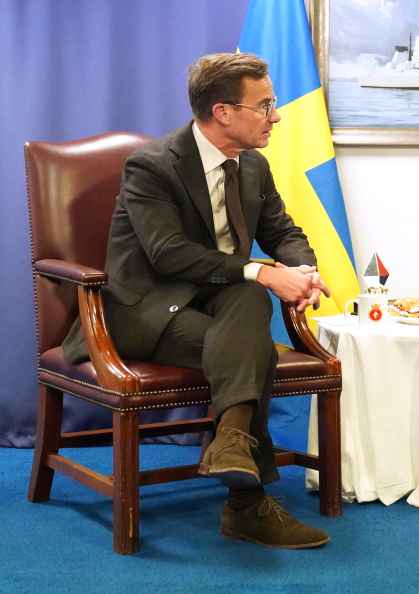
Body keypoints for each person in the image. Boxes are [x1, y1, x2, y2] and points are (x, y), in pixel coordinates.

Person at [62, 52, 332, 549]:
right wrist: (263, 273)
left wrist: (302, 271)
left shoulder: (253, 166)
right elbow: (167, 255)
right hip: (145, 310)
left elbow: (283, 232)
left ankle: (231, 446)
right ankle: (245, 505)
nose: (277, 115)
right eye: (265, 104)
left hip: (222, 304)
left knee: (250, 304)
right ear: (223, 112)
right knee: (251, 343)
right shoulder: (152, 165)